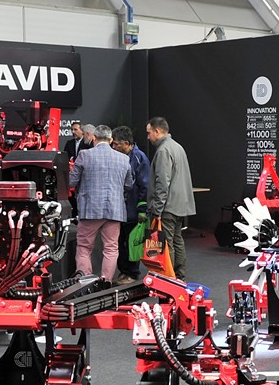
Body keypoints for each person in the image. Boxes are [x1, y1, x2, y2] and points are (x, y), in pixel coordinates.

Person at [69, 125, 133, 282]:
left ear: (94, 139)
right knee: (111, 249)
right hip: (114, 210)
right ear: (111, 140)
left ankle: (85, 283)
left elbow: (71, 181)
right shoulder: (124, 158)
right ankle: (106, 283)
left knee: (84, 248)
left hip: (89, 210)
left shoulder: (84, 155)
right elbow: (129, 185)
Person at [145, 116, 196, 281]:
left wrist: (157, 209)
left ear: (157, 131)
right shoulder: (177, 147)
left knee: (167, 244)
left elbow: (162, 183)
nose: (148, 137)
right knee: (177, 240)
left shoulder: (163, 151)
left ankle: (169, 279)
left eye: (149, 133)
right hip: (179, 205)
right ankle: (179, 277)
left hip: (167, 206)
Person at [111, 125, 149, 284]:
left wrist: (142, 209)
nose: (113, 147)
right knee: (120, 243)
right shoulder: (118, 157)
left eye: (116, 144)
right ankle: (124, 271)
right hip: (119, 210)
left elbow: (145, 186)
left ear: (126, 144)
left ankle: (132, 274)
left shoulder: (140, 158)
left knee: (132, 243)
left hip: (133, 211)